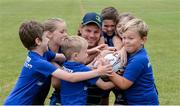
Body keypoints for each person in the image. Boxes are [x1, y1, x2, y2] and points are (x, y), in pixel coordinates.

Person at [3, 20, 113, 105]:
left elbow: (65, 56)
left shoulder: (43, 54)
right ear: (38, 41)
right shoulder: (40, 63)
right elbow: (70, 77)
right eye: (45, 37)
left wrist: (93, 50)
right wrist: (98, 71)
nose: (48, 40)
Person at [109, 18, 159, 105]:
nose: (126, 41)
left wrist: (108, 71)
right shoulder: (137, 53)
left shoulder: (138, 60)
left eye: (130, 38)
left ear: (143, 40)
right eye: (124, 38)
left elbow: (124, 84)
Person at [59, 36, 115, 105]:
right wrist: (121, 80)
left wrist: (95, 63)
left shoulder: (65, 65)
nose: (87, 54)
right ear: (75, 56)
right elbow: (104, 86)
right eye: (85, 52)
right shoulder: (84, 70)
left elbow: (80, 69)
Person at [43, 18, 67, 105]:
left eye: (65, 31)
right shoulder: (41, 51)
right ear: (49, 34)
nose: (66, 34)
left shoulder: (65, 48)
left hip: (61, 92)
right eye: (62, 32)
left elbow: (56, 83)